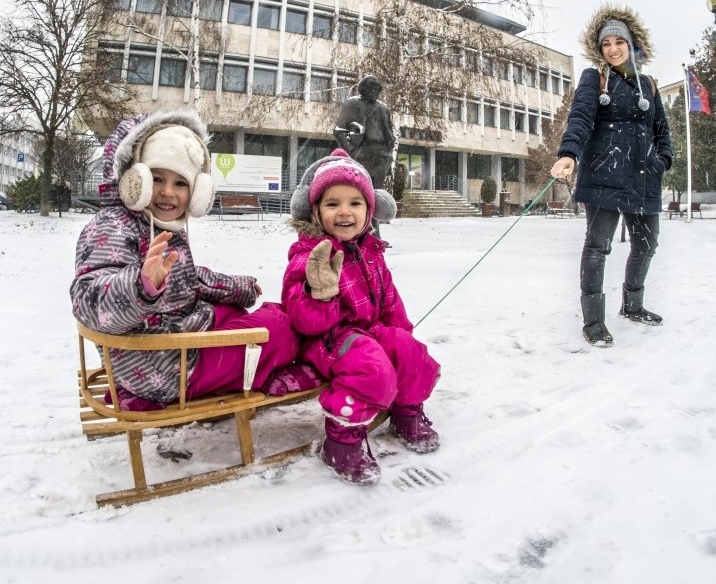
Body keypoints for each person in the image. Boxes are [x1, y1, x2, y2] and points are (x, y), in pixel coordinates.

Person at [71, 109, 302, 409]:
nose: (168, 193)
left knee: (231, 312)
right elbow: (87, 302)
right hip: (162, 366)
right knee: (280, 327)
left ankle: (242, 361)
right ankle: (253, 370)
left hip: (168, 341)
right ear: (134, 180)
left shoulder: (154, 221)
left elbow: (187, 277)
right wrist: (140, 285)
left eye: (181, 183)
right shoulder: (112, 226)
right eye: (156, 178)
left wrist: (236, 288)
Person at [282, 148, 441, 484]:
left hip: (370, 330)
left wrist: (402, 338)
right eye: (332, 203)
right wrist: (320, 293)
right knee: (370, 366)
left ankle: (406, 411)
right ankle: (342, 440)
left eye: (354, 203)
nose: (344, 212)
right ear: (315, 211)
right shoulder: (310, 253)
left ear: (370, 211)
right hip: (327, 338)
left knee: (411, 351)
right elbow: (302, 319)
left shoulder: (370, 251)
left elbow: (390, 303)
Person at [549, 5, 673, 349]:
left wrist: (663, 159)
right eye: (607, 44)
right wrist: (569, 153)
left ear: (633, 44)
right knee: (597, 247)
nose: (614, 49)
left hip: (644, 176)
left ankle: (633, 305)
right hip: (605, 173)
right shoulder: (595, 78)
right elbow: (581, 117)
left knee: (646, 245)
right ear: (599, 48)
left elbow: (662, 128)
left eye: (620, 41)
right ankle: (594, 320)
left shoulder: (648, 84)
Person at [333, 75, 396, 237]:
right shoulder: (352, 104)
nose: (374, 92)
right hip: (361, 154)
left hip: (381, 155)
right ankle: (361, 231)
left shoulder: (383, 108)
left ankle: (374, 233)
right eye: (371, 88)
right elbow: (339, 131)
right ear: (363, 89)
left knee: (376, 195)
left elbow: (388, 130)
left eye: (377, 89)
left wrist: (389, 151)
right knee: (361, 194)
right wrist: (351, 151)